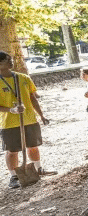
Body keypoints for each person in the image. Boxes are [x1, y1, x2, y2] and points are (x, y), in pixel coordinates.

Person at [0, 52, 55, 188]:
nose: (11, 61)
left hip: (29, 119)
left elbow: (32, 97)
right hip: (9, 122)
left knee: (33, 146)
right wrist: (11, 110)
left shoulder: (23, 77)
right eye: (7, 60)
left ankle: (38, 169)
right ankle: (14, 176)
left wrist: (41, 115)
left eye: (10, 59)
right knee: (12, 150)